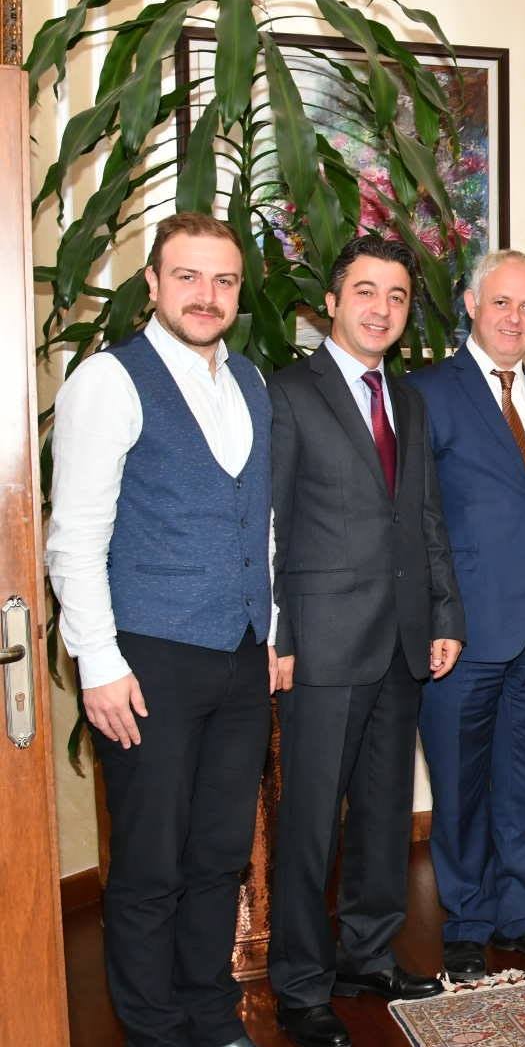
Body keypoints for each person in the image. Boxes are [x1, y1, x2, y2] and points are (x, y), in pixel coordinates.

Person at [45, 212, 273, 1047]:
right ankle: (152, 1029)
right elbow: (75, 536)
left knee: (219, 853)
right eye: (188, 277)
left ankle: (209, 1010)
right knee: (150, 861)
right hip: (148, 660)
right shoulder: (109, 381)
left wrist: (274, 631)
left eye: (223, 280)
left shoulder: (249, 380)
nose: (206, 295)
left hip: (242, 654)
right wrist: (98, 663)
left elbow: (261, 523)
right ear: (152, 283)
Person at [267, 235, 464, 1047]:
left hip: (403, 639)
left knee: (384, 814)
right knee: (312, 821)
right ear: (332, 302)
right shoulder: (288, 392)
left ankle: (368, 954)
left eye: (396, 295)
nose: (382, 309)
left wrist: (445, 615)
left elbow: (424, 517)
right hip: (321, 643)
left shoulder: (408, 401)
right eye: (365, 292)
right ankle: (300, 985)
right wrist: (278, 632)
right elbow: (271, 523)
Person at [409, 250, 525, 981]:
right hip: (463, 629)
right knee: (460, 783)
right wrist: (435, 616)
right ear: (472, 306)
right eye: (502, 303)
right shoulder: (425, 393)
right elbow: (417, 518)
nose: (516, 318)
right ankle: (465, 923)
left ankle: (521, 917)